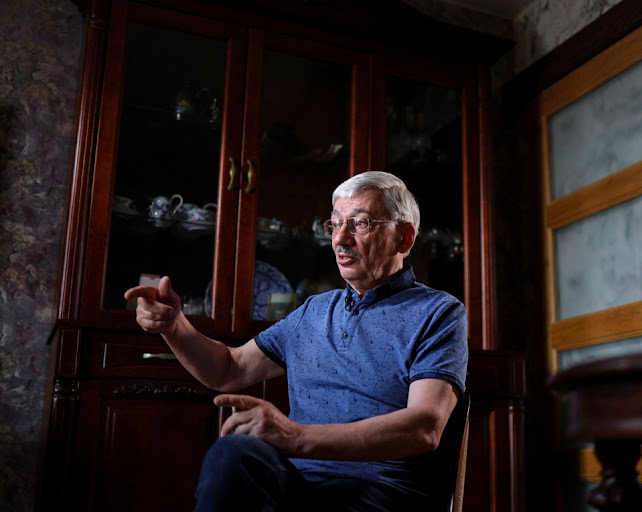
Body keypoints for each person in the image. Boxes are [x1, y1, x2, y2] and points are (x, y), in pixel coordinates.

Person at [124, 171, 468, 511]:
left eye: (360, 223)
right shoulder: (314, 311)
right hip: (301, 484)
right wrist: (174, 326)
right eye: (335, 224)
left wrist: (296, 437)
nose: (340, 239)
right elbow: (229, 368)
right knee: (234, 452)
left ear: (404, 238)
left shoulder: (438, 313)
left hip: (382, 493)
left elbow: (424, 427)